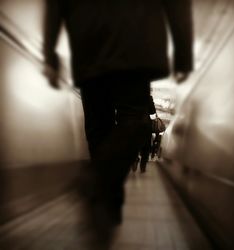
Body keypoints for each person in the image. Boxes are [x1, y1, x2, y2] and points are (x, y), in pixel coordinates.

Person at [43, 0, 193, 245]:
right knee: (136, 122)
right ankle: (100, 195)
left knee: (99, 130)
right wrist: (184, 53)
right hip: (136, 40)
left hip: (88, 42)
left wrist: (49, 53)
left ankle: (101, 209)